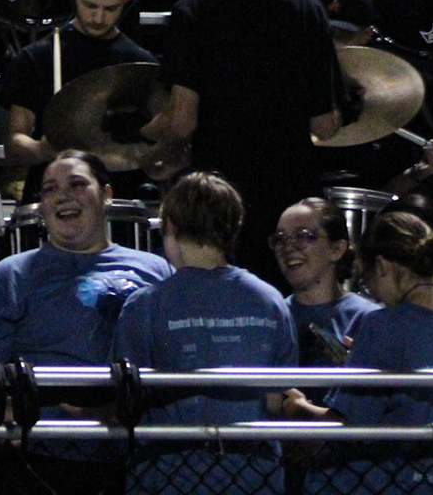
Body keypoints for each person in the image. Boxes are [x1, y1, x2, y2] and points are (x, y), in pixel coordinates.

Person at [146, 0, 345, 283]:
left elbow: (182, 122)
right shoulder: (307, 14)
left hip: (219, 205)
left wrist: (143, 132)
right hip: (287, 202)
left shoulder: (193, 14)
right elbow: (325, 125)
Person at [0, 151, 173, 494]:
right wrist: (26, 418)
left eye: (77, 184)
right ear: (41, 207)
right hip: (37, 461)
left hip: (136, 458)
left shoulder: (157, 270)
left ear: (106, 195)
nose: (62, 196)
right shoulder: (9, 276)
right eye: (50, 189)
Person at [281, 211, 433, 495]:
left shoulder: (382, 324)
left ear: (382, 265)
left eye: (367, 281)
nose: (373, 295)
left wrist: (296, 407)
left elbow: (344, 428)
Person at [114, 171, 296, 495]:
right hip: (254, 477)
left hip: (167, 476)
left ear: (170, 226)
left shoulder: (146, 305)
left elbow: (125, 400)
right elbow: (276, 399)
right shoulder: (271, 301)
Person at [0, 0, 154, 192]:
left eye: (111, 8)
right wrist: (40, 148)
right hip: (53, 194)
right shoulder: (37, 58)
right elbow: (14, 142)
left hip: (118, 195)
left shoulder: (141, 63)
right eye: (90, 5)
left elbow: (153, 147)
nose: (98, 17)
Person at [272, 198, 378, 374]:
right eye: (280, 238)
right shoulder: (273, 317)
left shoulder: (368, 319)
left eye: (303, 236)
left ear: (337, 249)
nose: (288, 247)